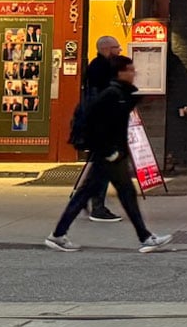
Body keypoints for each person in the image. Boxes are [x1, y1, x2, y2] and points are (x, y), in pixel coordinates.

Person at [45, 56, 172, 253]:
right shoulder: (112, 95)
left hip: (110, 153)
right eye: (129, 70)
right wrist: (109, 152)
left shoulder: (120, 93)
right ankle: (145, 237)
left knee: (91, 193)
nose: (133, 73)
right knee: (124, 194)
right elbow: (98, 125)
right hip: (110, 154)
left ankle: (58, 234)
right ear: (120, 72)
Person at [77, 36, 124, 223]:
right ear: (107, 48)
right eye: (116, 47)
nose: (119, 51)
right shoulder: (102, 68)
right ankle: (98, 206)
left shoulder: (98, 66)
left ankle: (86, 199)